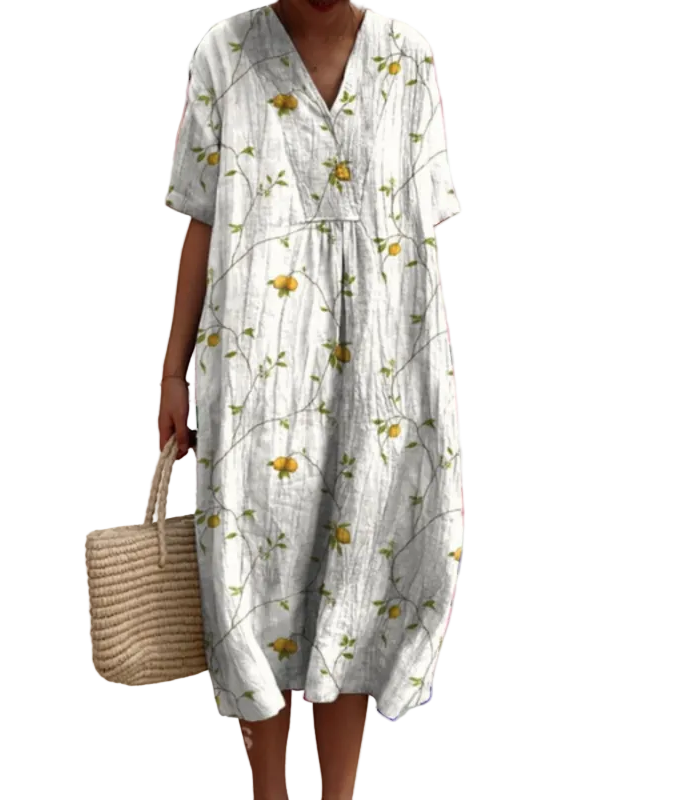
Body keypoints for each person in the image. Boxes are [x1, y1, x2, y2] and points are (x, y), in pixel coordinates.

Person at [158, 2, 464, 798]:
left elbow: (419, 241)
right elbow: (202, 221)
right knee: (253, 575)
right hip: (254, 368)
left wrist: (423, 385)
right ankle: (268, 793)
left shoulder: (408, 59)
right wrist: (171, 371)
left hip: (379, 370)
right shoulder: (223, 54)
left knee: (356, 574)